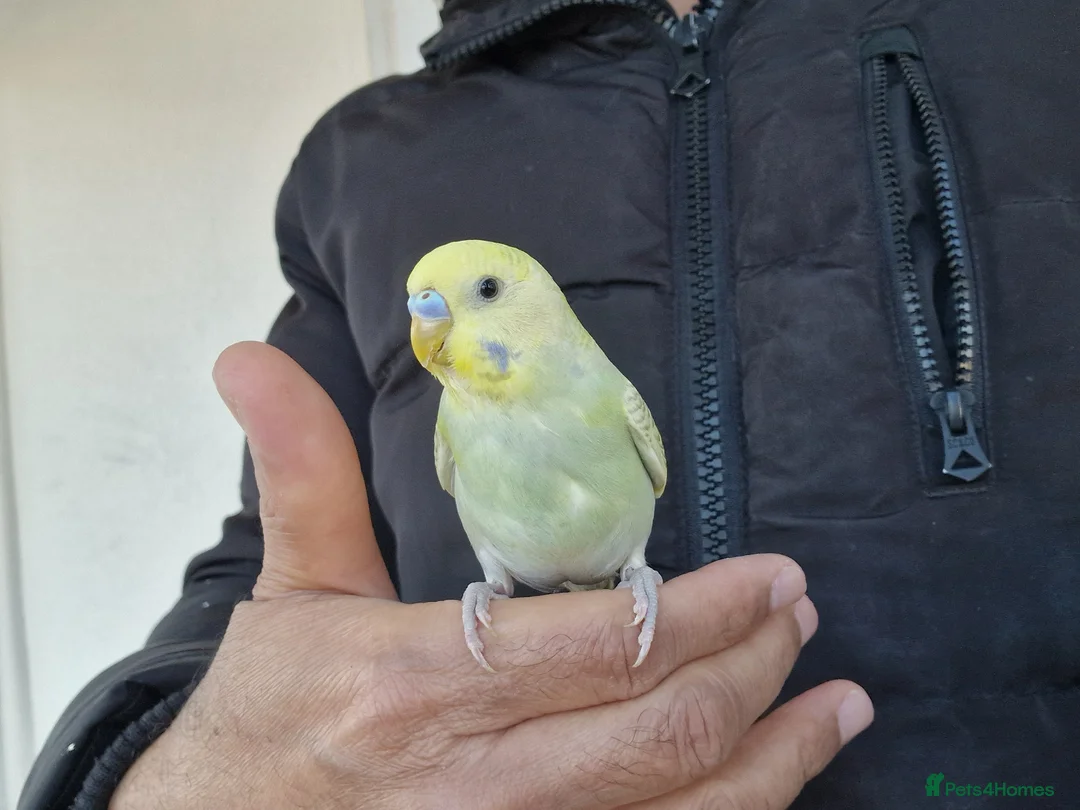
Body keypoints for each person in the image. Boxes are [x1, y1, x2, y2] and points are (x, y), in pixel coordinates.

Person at [17, 0, 1080, 807]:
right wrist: (174, 768)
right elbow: (274, 583)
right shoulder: (362, 160)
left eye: (476, 293)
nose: (430, 316)